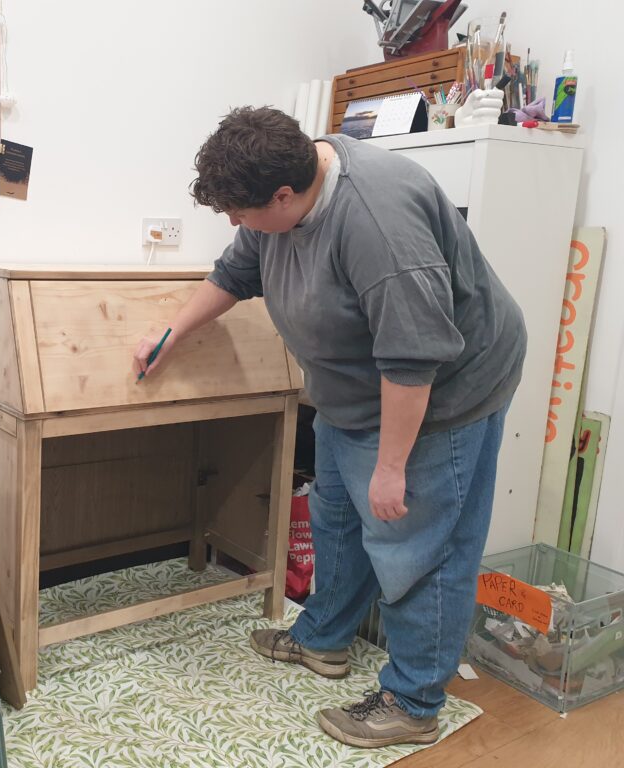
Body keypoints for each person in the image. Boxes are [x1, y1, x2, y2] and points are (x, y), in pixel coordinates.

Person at [132, 107, 525, 749]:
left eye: (241, 213)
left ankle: (414, 700)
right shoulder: (283, 184)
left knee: (418, 546)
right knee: (336, 511)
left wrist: (393, 468)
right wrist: (172, 333)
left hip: (442, 394)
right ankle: (323, 638)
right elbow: (236, 273)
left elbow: (412, 357)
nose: (235, 223)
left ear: (285, 196)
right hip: (356, 392)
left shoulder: (378, 220)